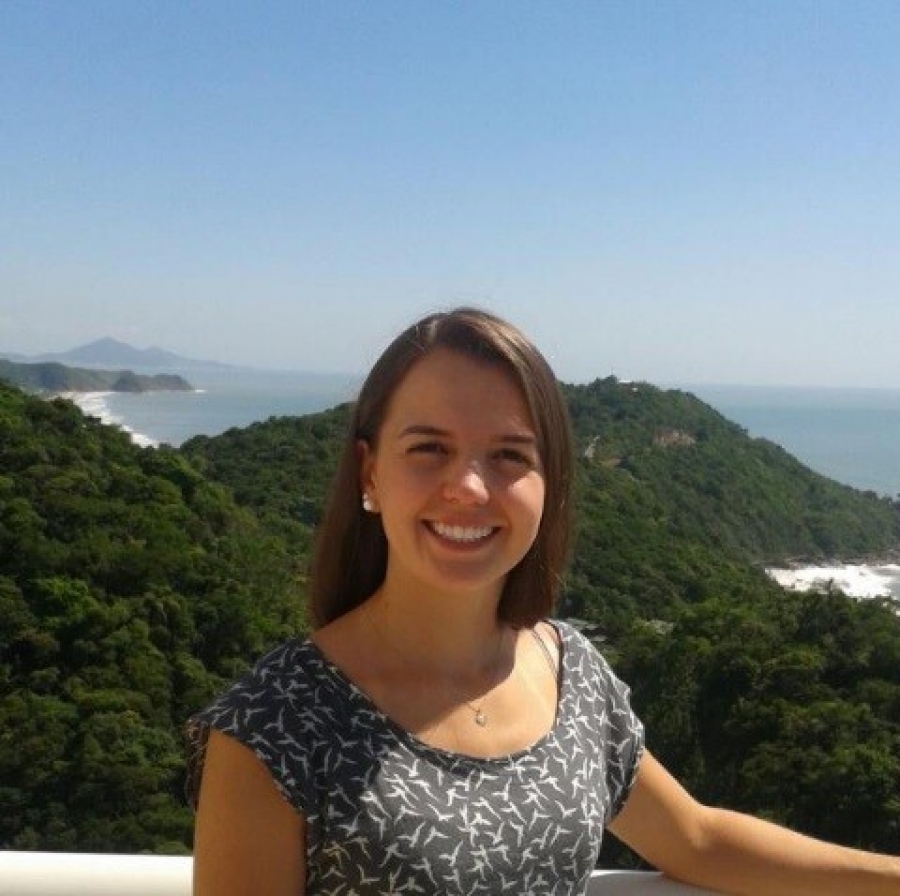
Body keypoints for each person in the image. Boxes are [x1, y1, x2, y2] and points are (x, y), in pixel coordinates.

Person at [188, 307, 900, 895]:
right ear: (369, 473)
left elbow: (696, 839)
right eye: (429, 448)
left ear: (548, 482)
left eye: (509, 455)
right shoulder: (276, 726)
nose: (468, 488)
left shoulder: (571, 675)